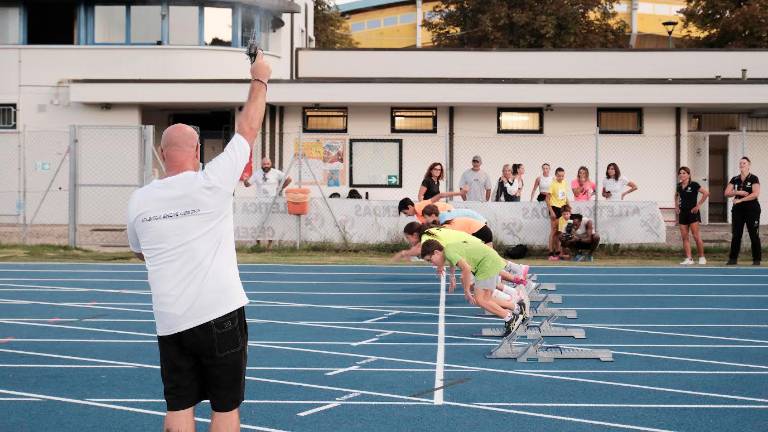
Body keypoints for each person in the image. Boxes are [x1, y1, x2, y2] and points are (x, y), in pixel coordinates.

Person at [126, 52, 271, 431]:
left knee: (178, 406)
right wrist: (260, 79)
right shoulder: (212, 181)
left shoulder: (139, 200)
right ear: (198, 153)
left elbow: (141, 251)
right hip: (219, 313)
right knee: (224, 409)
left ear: (161, 155)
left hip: (171, 319)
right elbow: (249, 129)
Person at [420, 239, 526, 336]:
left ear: (436, 252)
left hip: (486, 264)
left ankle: (510, 318)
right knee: (486, 299)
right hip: (489, 260)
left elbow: (466, 268)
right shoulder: (448, 249)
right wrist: (452, 276)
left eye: (430, 260)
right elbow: (453, 262)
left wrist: (466, 291)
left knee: (480, 299)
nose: (432, 263)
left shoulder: (449, 252)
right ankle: (517, 307)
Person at [725, 157, 761, 266]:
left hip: (752, 210)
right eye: (740, 163)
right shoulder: (735, 179)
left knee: (753, 235)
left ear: (749, 165)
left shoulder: (754, 178)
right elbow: (727, 193)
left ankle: (756, 259)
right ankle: (733, 259)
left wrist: (740, 200)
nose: (742, 165)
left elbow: (755, 194)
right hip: (738, 211)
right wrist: (739, 192)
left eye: (744, 163)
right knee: (736, 234)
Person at [675, 166, 709, 265]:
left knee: (696, 235)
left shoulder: (694, 185)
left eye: (684, 173)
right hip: (682, 213)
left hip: (692, 213)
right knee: (685, 237)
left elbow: (706, 193)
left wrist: (698, 205)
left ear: (689, 175)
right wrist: (676, 206)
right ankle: (689, 259)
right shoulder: (679, 185)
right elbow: (676, 195)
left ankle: (702, 257)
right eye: (680, 173)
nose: (681, 175)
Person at [422, 204, 493, 244]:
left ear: (433, 215)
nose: (425, 220)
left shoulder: (444, 219)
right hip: (478, 224)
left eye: (426, 217)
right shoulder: (443, 216)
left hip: (478, 225)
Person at [398, 190, 465, 223]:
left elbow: (440, 195)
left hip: (448, 213)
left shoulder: (421, 206)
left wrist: (460, 193)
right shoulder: (418, 216)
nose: (406, 215)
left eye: (405, 212)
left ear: (409, 207)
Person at [546, 167, 569, 260]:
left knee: (560, 232)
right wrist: (551, 211)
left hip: (562, 209)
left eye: (562, 176)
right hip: (554, 208)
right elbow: (547, 199)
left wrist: (569, 206)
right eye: (559, 176)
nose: (561, 177)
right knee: (554, 231)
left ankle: (559, 252)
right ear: (556, 175)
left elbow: (565, 196)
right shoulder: (552, 184)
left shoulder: (564, 183)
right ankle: (551, 252)